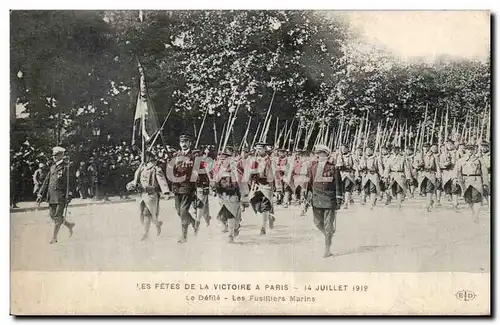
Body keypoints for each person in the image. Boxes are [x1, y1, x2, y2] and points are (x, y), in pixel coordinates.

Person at [306, 144, 343, 258]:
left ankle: (327, 249)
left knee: (328, 226)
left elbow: (338, 185)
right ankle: (329, 234)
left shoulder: (333, 168)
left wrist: (338, 199)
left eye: (323, 154)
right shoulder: (312, 167)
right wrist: (306, 197)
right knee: (317, 222)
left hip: (329, 199)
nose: (321, 156)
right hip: (316, 199)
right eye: (319, 154)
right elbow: (309, 183)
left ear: (327, 155)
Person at [126, 150, 170, 241]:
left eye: (144, 156)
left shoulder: (155, 168)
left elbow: (161, 180)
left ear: (149, 157)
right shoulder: (141, 168)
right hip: (141, 194)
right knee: (142, 214)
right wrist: (131, 184)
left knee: (147, 213)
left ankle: (145, 233)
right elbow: (136, 179)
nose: (142, 158)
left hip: (151, 194)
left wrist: (165, 192)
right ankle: (157, 224)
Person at [36, 146, 75, 244]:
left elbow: (71, 182)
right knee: (52, 215)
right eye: (53, 155)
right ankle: (69, 225)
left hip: (61, 195)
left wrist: (69, 195)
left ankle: (54, 237)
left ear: (62, 155)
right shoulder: (52, 167)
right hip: (51, 195)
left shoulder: (67, 167)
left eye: (56, 155)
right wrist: (40, 193)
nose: (54, 157)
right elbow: (46, 181)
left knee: (57, 216)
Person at [211, 147, 249, 243]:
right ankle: (232, 232)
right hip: (222, 196)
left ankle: (232, 233)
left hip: (233, 195)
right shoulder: (218, 170)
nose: (222, 161)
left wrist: (245, 197)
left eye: (224, 159)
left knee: (232, 215)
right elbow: (214, 180)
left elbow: (242, 182)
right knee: (225, 216)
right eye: (221, 159)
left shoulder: (235, 170)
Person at [167, 134, 197, 243]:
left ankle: (184, 236)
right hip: (176, 186)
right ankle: (193, 222)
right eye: (182, 142)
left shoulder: (193, 156)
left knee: (184, 211)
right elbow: (170, 170)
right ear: (179, 144)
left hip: (187, 185)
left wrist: (194, 187)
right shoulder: (176, 155)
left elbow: (196, 172)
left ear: (190, 143)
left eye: (186, 142)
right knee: (179, 211)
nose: (184, 144)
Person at [456, 144, 489, 223]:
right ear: (465, 150)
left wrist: (485, 182)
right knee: (468, 199)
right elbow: (458, 172)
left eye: (471, 149)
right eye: (468, 149)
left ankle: (476, 215)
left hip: (476, 180)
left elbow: (484, 172)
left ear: (474, 150)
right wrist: (458, 180)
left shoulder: (479, 160)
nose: (470, 151)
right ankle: (473, 212)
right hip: (465, 181)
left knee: (477, 198)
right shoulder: (461, 160)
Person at [249, 142, 276, 235]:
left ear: (265, 149)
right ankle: (269, 216)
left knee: (265, 205)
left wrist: (277, 186)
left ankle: (263, 227)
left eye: (260, 148)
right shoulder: (255, 159)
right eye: (257, 148)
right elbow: (250, 172)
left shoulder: (270, 160)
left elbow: (274, 173)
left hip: (267, 184)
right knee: (254, 202)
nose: (258, 150)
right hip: (257, 185)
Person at [335, 144, 355, 209]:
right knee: (342, 189)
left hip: (349, 174)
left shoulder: (351, 156)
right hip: (341, 174)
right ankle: (346, 200)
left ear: (347, 149)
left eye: (344, 148)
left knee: (347, 188)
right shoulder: (339, 156)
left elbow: (355, 165)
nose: (343, 150)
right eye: (342, 148)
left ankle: (346, 203)